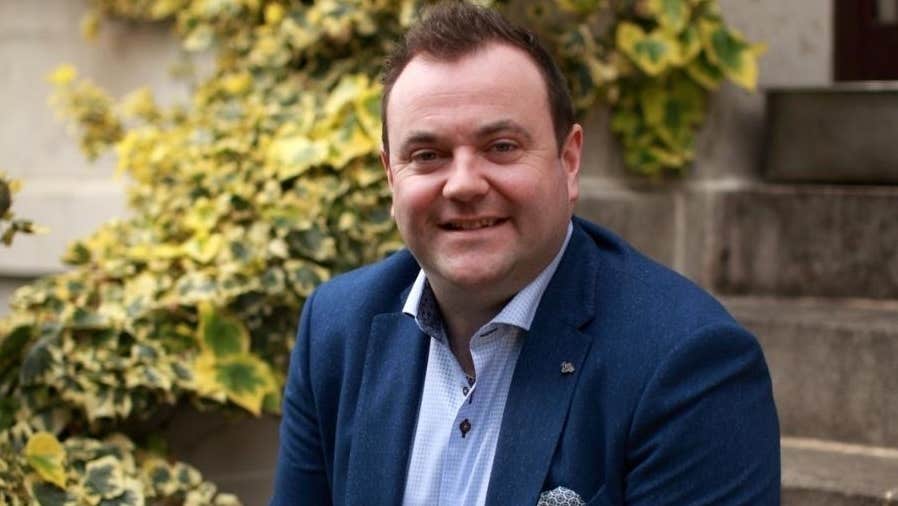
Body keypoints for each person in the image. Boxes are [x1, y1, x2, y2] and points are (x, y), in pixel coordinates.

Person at [271, 2, 780, 505]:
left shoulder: (687, 363)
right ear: (390, 176)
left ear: (569, 161)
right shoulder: (337, 328)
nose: (463, 184)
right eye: (427, 155)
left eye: (501, 147)